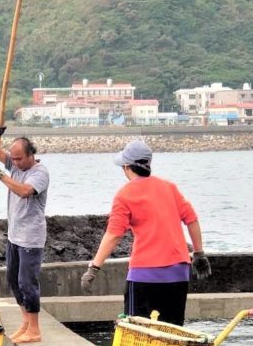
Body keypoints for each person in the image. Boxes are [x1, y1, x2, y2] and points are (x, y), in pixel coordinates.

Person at [80, 139, 210, 325]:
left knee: (136, 331)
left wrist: (94, 268)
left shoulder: (124, 194)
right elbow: (192, 220)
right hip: (178, 273)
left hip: (145, 274)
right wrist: (199, 254)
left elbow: (114, 235)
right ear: (149, 164)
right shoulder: (169, 188)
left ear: (126, 167)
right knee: (172, 331)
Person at [0, 130, 50, 343]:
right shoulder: (14, 165)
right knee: (13, 280)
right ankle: (26, 322)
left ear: (31, 155)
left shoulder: (39, 173)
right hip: (14, 236)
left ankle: (35, 329)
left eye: (19, 159)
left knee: (26, 282)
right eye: (12, 159)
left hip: (31, 237)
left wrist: (1, 175)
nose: (15, 162)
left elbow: (24, 191)